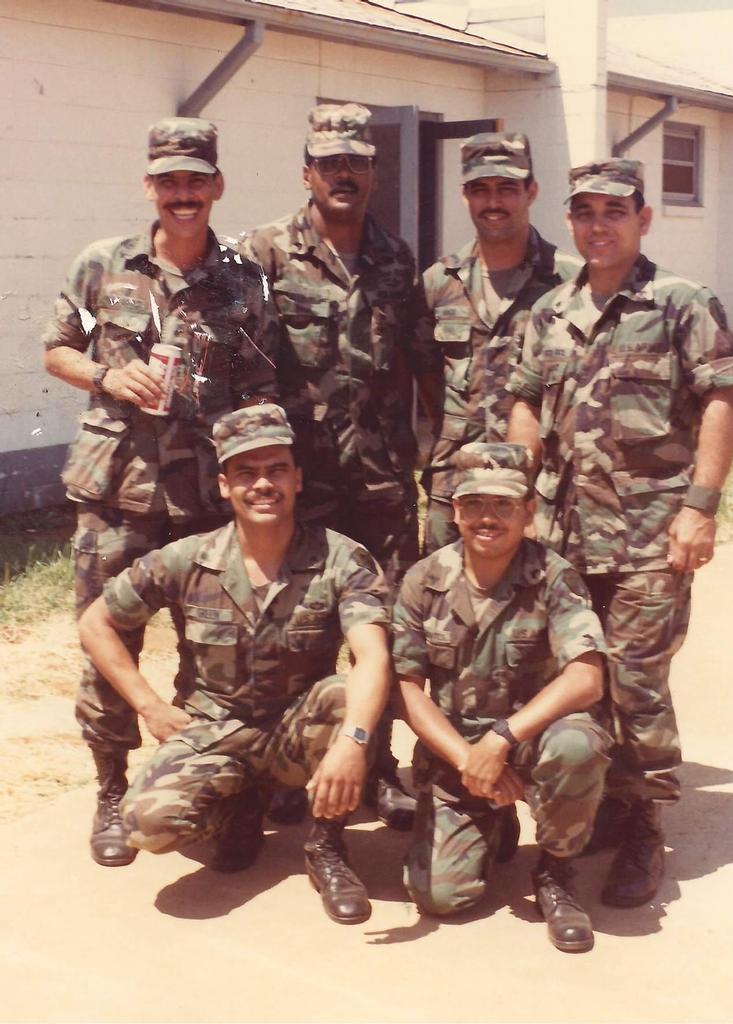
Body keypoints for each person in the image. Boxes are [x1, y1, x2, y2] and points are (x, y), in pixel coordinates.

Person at [507, 159, 733, 907]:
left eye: (614, 211)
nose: (598, 225)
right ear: (570, 221)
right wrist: (517, 492)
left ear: (643, 218)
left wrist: (700, 506)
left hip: (649, 533)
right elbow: (525, 401)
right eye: (584, 212)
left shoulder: (681, 302)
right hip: (563, 535)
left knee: (637, 681)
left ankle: (643, 821)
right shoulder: (549, 311)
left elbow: (722, 399)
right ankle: (602, 800)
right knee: (574, 673)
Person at [42, 117, 279, 868]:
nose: (183, 194)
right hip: (116, 493)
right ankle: (113, 791)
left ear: (217, 186)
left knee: (214, 656)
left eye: (195, 181)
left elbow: (261, 381)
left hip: (205, 501)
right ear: (149, 187)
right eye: (169, 181)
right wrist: (107, 376)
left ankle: (207, 790)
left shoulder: (243, 281)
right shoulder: (103, 267)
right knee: (110, 645)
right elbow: (57, 350)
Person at [78, 404, 391, 925]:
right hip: (213, 731)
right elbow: (96, 622)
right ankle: (236, 809)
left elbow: (374, 653)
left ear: (297, 479)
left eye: (276, 470)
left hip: (295, 731)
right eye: (246, 472)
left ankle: (327, 846)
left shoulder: (342, 558)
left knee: (346, 695)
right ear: (225, 486)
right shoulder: (187, 557)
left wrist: (354, 742)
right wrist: (150, 706)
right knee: (147, 823)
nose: (262, 484)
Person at [240, 103, 437, 828]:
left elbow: (419, 362)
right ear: (307, 174)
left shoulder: (396, 259)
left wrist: (435, 450)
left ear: (374, 173)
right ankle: (292, 768)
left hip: (380, 481)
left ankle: (377, 767)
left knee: (379, 627)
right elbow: (238, 364)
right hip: (299, 484)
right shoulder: (263, 253)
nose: (343, 175)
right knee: (296, 627)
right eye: (330, 164)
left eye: (356, 163)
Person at [393, 443, 611, 953]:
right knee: (440, 897)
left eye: (503, 505)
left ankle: (556, 871)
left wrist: (501, 739)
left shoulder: (554, 576)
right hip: (458, 755)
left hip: (533, 742)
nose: (486, 518)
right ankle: (493, 820)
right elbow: (405, 690)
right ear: (454, 510)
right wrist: (469, 758)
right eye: (473, 504)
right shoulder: (424, 581)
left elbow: (587, 678)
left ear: (528, 510)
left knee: (577, 745)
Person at [418, 132, 581, 555]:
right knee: (444, 592)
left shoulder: (569, 282)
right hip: (455, 484)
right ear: (465, 196)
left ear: (532, 191)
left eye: (507, 188)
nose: (493, 202)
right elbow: (424, 375)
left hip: (538, 488)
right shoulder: (439, 282)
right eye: (480, 189)